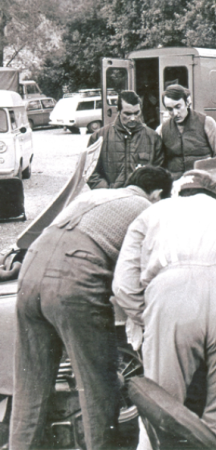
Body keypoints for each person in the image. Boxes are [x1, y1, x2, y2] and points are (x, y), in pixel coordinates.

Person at [10, 166, 174, 450]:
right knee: (99, 385)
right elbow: (142, 275)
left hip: (30, 269)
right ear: (158, 194)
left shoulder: (96, 195)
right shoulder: (147, 209)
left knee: (31, 384)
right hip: (75, 276)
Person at [113, 169, 216, 450]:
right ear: (214, 194)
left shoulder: (153, 213)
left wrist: (148, 318)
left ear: (179, 192)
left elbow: (123, 285)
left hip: (171, 292)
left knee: (161, 404)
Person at [87, 90, 164, 189]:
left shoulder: (153, 138)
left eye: (137, 113)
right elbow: (90, 171)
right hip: (111, 199)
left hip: (141, 199)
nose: (133, 118)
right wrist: (108, 191)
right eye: (127, 114)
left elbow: (159, 172)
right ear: (118, 111)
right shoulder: (99, 137)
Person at [159, 84, 216, 179]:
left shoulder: (206, 122)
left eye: (178, 107)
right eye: (170, 109)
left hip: (203, 183)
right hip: (175, 186)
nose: (175, 113)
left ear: (187, 102)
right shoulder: (162, 129)